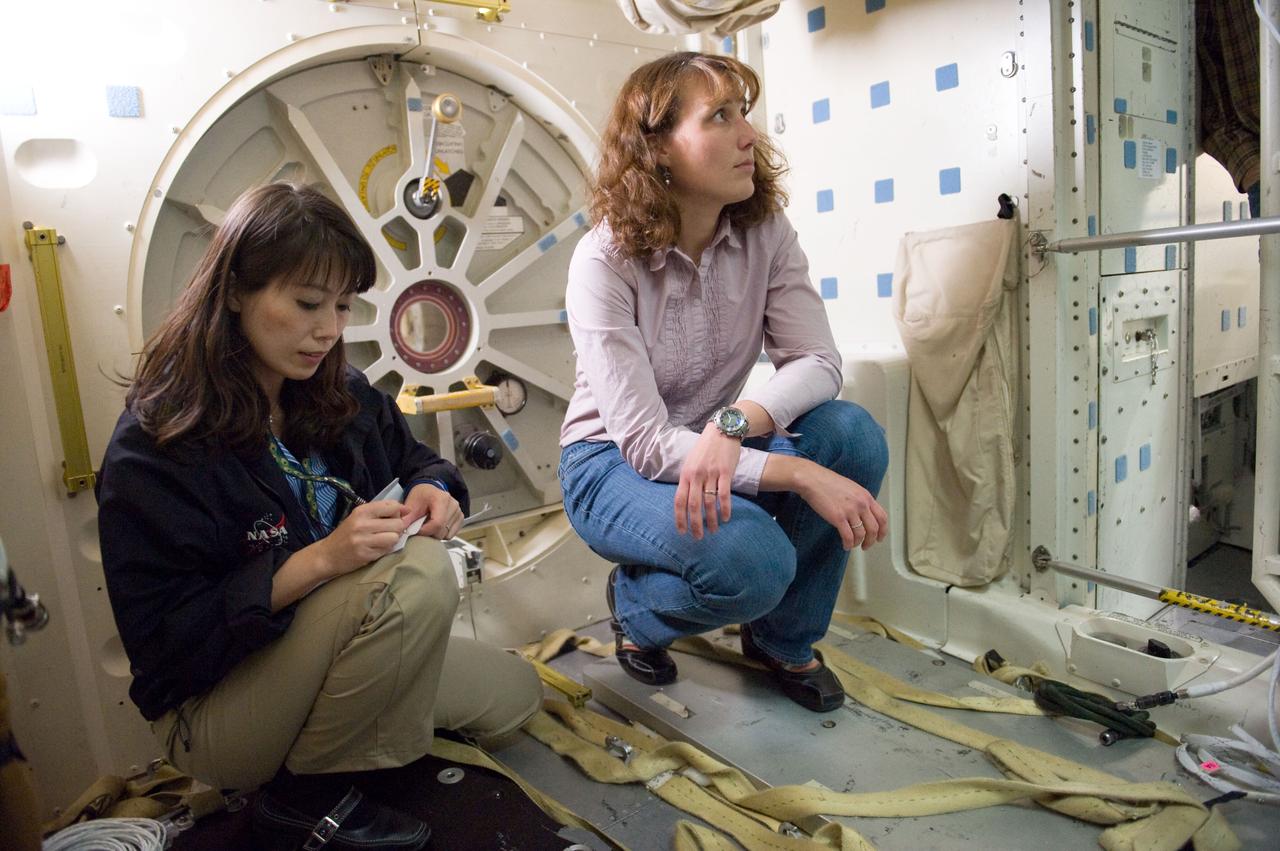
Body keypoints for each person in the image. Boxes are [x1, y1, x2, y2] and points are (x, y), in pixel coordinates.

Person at [97, 183, 541, 851]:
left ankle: (340, 756)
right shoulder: (157, 446)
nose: (329, 329)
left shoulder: (341, 394)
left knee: (516, 694)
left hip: (334, 654)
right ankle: (303, 804)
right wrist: (320, 560)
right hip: (216, 699)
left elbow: (421, 463)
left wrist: (436, 490)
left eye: (342, 305)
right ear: (236, 291)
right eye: (307, 304)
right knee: (416, 577)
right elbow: (171, 646)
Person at [559, 52, 890, 714]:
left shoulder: (764, 231)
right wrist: (797, 475)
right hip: (609, 464)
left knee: (852, 434)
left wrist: (733, 423)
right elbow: (649, 444)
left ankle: (779, 639)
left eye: (746, 112)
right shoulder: (603, 262)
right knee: (755, 561)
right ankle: (637, 609)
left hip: (713, 443)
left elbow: (818, 361)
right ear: (657, 149)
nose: (751, 135)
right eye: (721, 116)